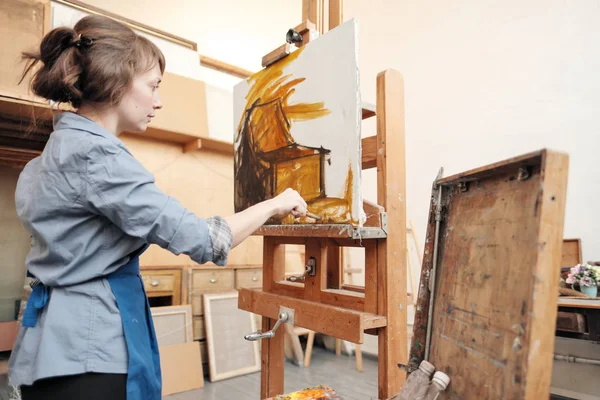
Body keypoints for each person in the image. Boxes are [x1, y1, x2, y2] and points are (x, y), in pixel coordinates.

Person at [8, 15, 308, 400]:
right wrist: (276, 202)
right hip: (88, 350)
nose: (159, 100)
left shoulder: (56, 151)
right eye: (153, 86)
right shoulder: (97, 154)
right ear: (117, 83)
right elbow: (203, 240)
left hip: (52, 345)